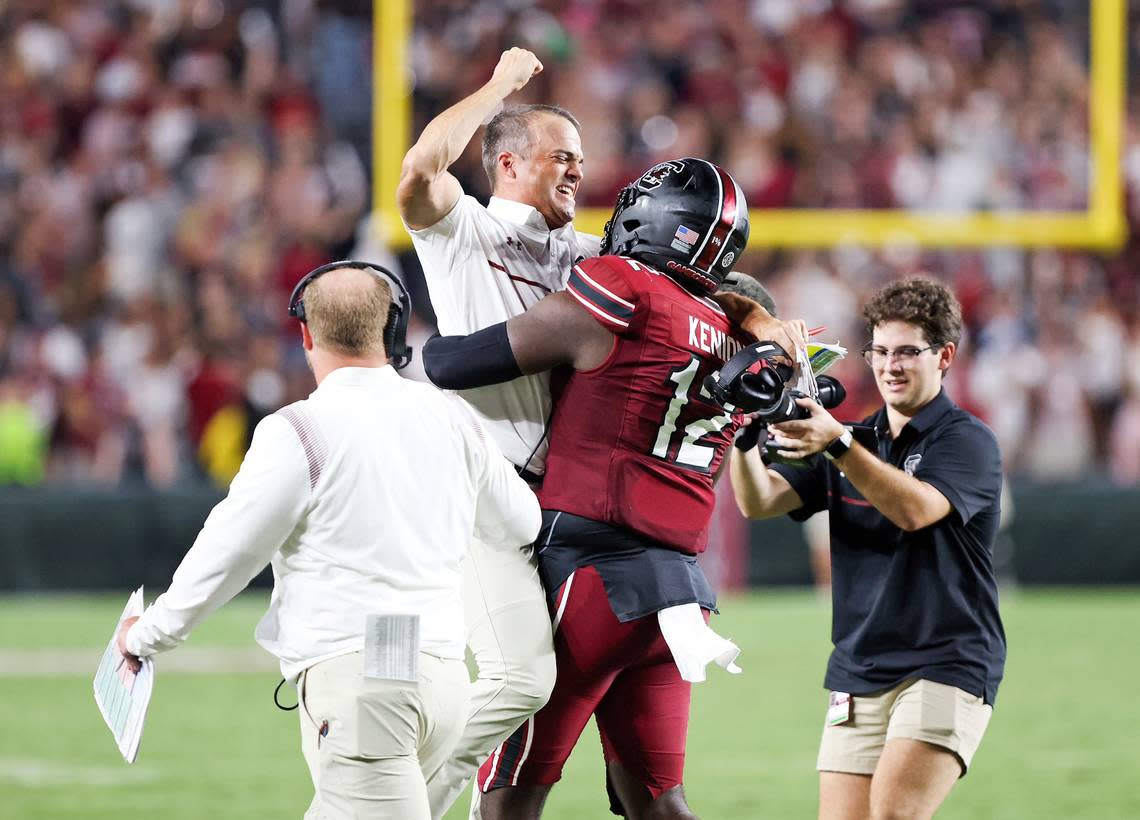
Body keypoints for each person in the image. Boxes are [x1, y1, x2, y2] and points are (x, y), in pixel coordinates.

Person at [423, 157, 808, 820]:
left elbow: (452, 363)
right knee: (658, 805)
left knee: (508, 799)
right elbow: (723, 311)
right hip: (679, 594)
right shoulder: (734, 334)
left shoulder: (627, 290)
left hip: (592, 579)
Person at [116, 262, 541, 820]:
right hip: (444, 680)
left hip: (365, 684)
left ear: (305, 334)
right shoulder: (449, 417)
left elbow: (229, 552)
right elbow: (522, 525)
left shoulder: (298, 430)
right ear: (390, 329)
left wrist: (147, 634)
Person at [396, 47, 600, 818]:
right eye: (562, 158)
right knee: (519, 681)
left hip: (558, 504)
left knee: (505, 685)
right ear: (508, 163)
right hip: (484, 494)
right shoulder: (465, 234)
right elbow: (420, 169)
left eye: (581, 160)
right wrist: (501, 87)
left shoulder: (587, 255)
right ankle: (390, 806)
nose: (578, 171)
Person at [730, 276, 1006, 820]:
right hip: (858, 665)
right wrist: (741, 431)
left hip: (944, 660)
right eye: (879, 350)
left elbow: (915, 510)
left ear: (944, 355)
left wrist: (838, 443)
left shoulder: (966, 440)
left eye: (907, 352)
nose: (890, 365)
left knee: (893, 815)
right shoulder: (855, 438)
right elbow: (759, 501)